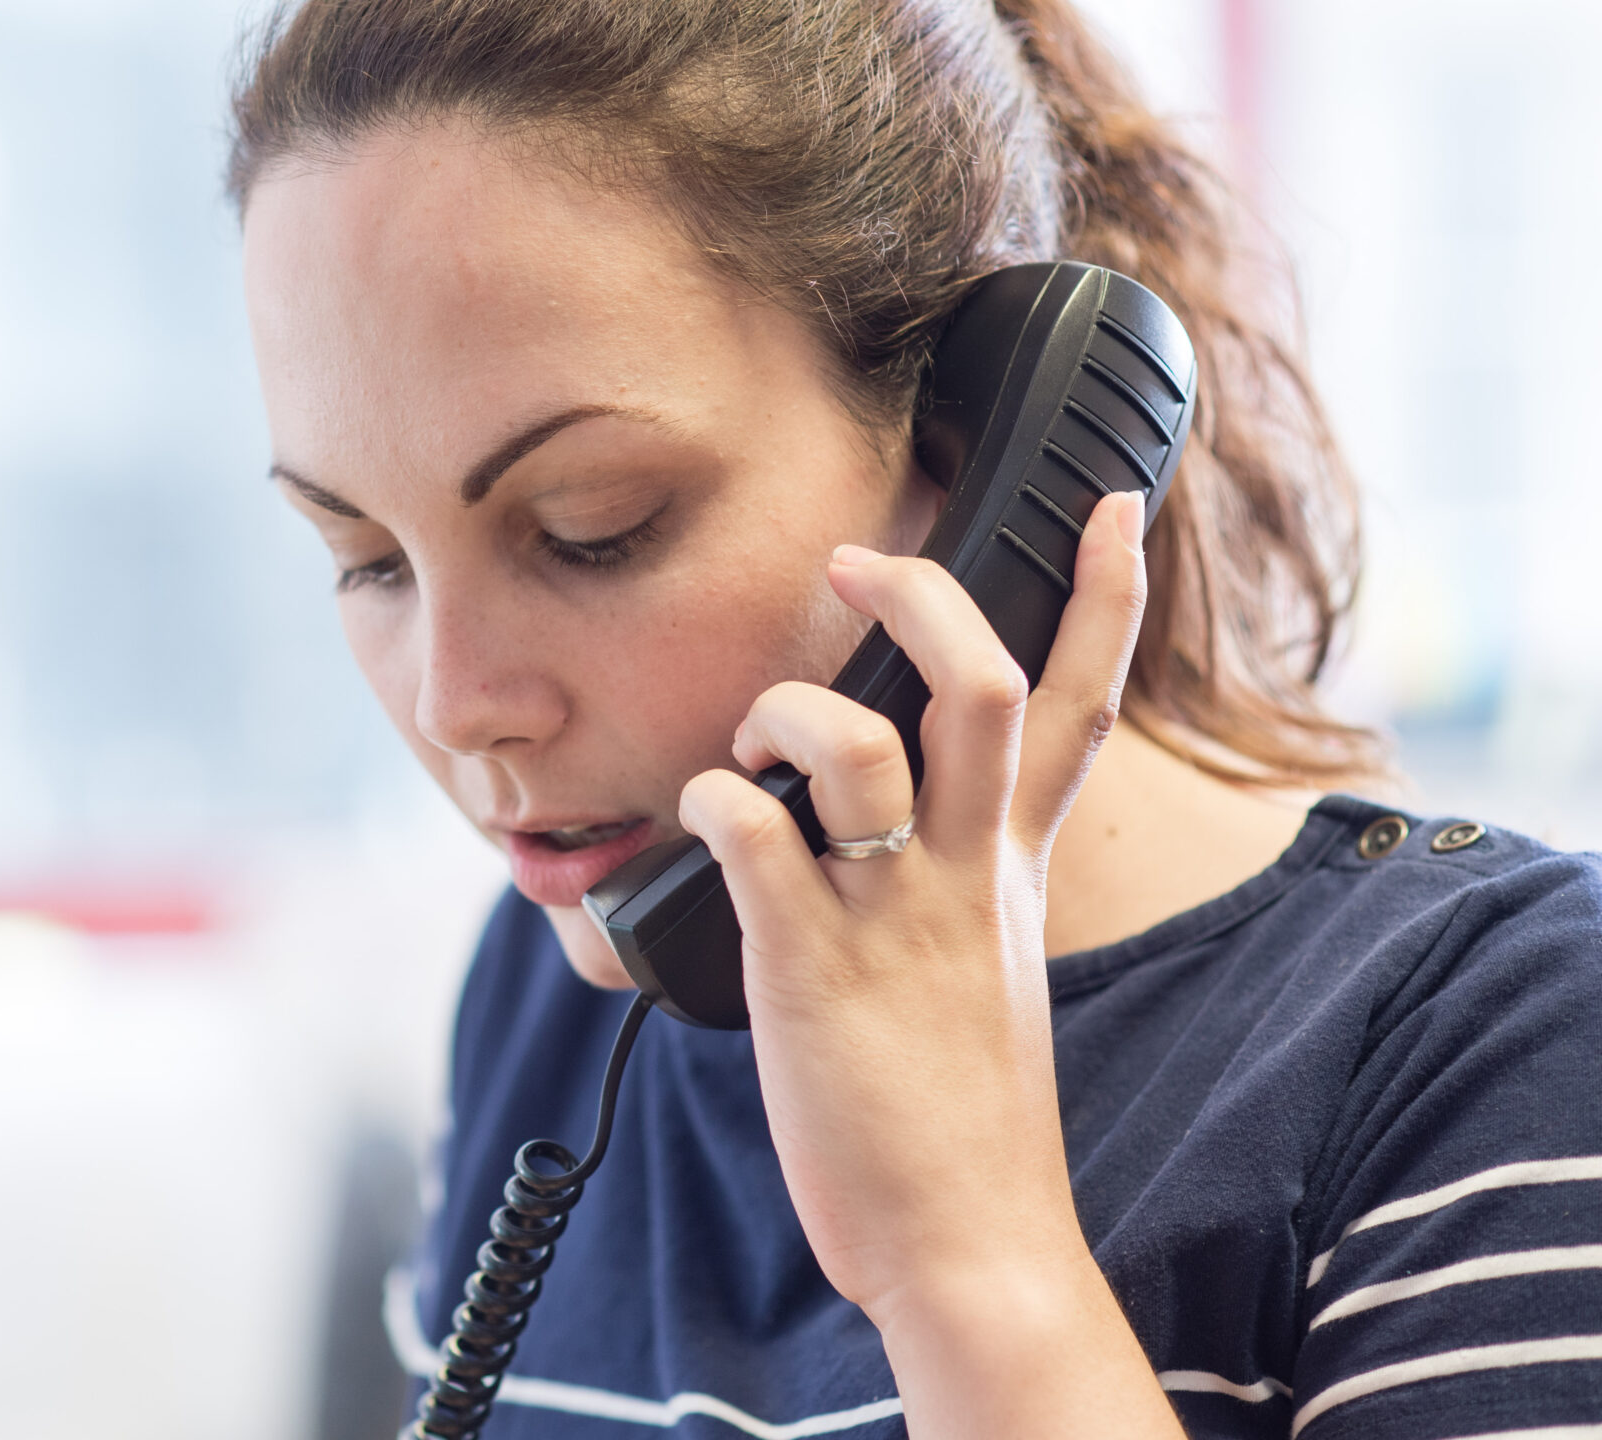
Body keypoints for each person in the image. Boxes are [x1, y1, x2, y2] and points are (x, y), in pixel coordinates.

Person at [224, 1, 1602, 1436]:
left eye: (593, 530)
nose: (457, 710)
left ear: (998, 445)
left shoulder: (1500, 1041)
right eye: (364, 560)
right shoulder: (560, 987)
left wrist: (965, 1259)